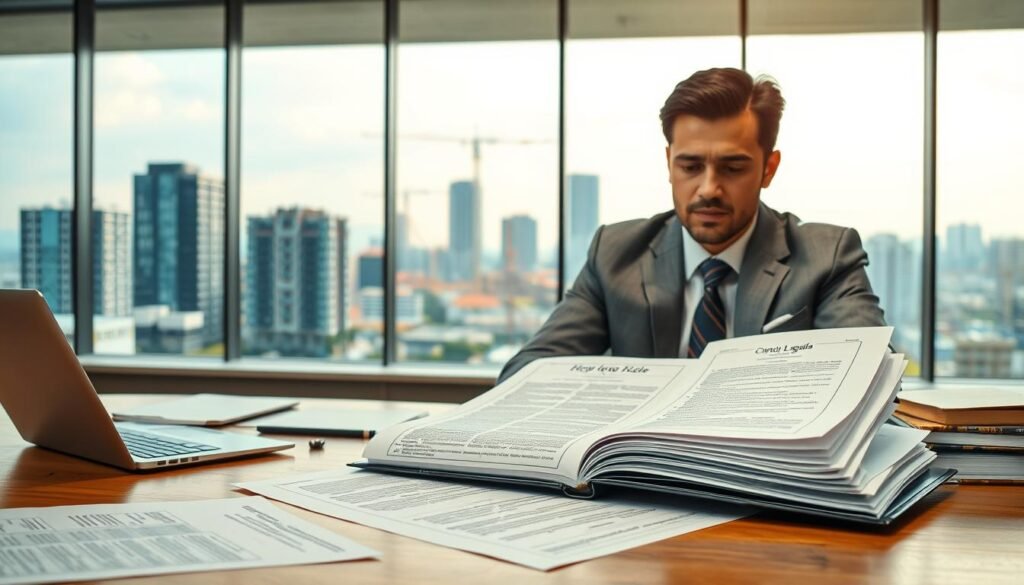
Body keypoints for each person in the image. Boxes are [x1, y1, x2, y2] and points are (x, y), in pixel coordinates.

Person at [498, 67, 885, 383]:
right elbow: (525, 374)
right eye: (690, 166)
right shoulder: (615, 254)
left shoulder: (826, 257)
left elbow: (869, 385)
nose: (709, 188)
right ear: (669, 163)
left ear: (769, 168)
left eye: (733, 168)